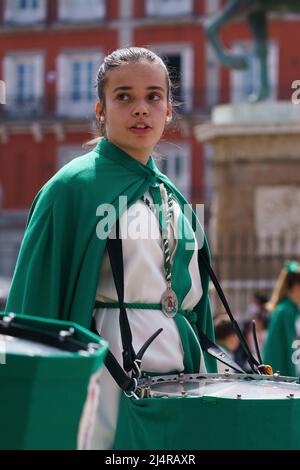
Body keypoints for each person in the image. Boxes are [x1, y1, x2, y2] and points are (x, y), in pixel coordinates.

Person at [5, 47, 217, 449]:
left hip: (185, 379)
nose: (141, 109)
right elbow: (35, 305)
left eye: (153, 96)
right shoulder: (70, 189)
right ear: (100, 109)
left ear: (169, 110)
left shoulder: (173, 195)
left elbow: (195, 304)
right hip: (106, 379)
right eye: (124, 96)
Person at [263, 261, 300, 377]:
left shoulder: (291, 310)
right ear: (296, 286)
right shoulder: (285, 311)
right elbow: (291, 348)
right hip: (284, 379)